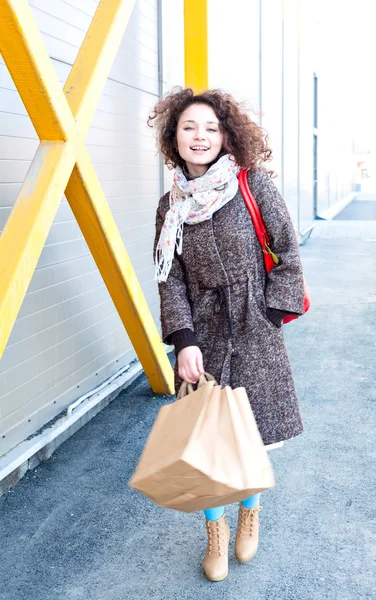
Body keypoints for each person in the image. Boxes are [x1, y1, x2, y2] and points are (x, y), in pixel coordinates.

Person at [149, 87, 305, 582]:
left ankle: (249, 512)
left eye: (211, 128)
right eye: (189, 127)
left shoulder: (252, 184)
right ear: (174, 137)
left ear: (226, 135)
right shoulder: (169, 204)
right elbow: (169, 276)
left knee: (251, 434)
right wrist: (183, 338)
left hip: (255, 326)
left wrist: (272, 312)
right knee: (207, 436)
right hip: (204, 332)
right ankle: (214, 529)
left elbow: (287, 249)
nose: (200, 136)